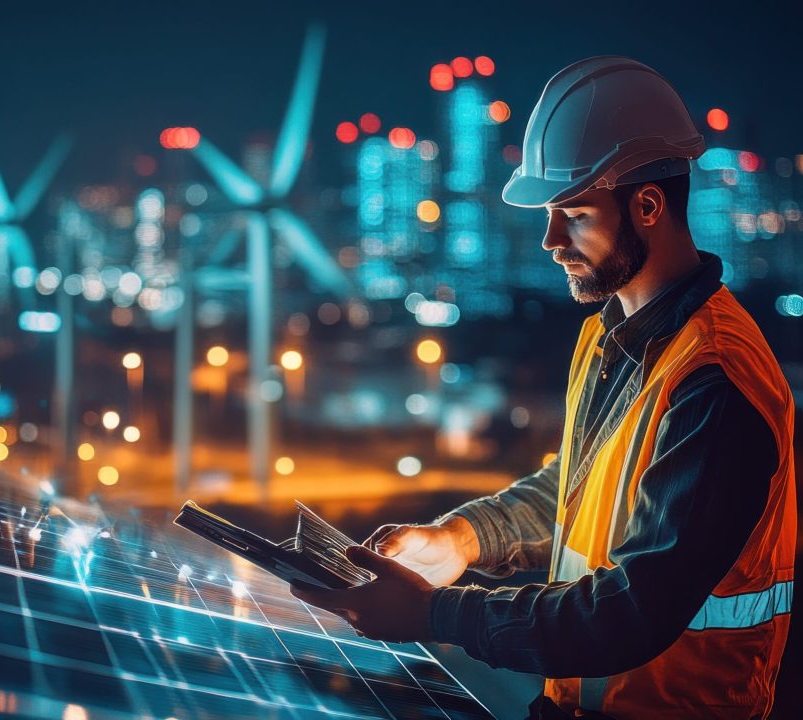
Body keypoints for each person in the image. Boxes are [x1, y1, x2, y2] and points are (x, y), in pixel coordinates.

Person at [291, 56, 796, 719]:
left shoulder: (715, 380)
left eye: (575, 213)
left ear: (647, 206)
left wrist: (435, 613)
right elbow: (577, 491)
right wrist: (459, 541)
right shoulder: (610, 334)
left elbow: (632, 611)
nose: (551, 241)